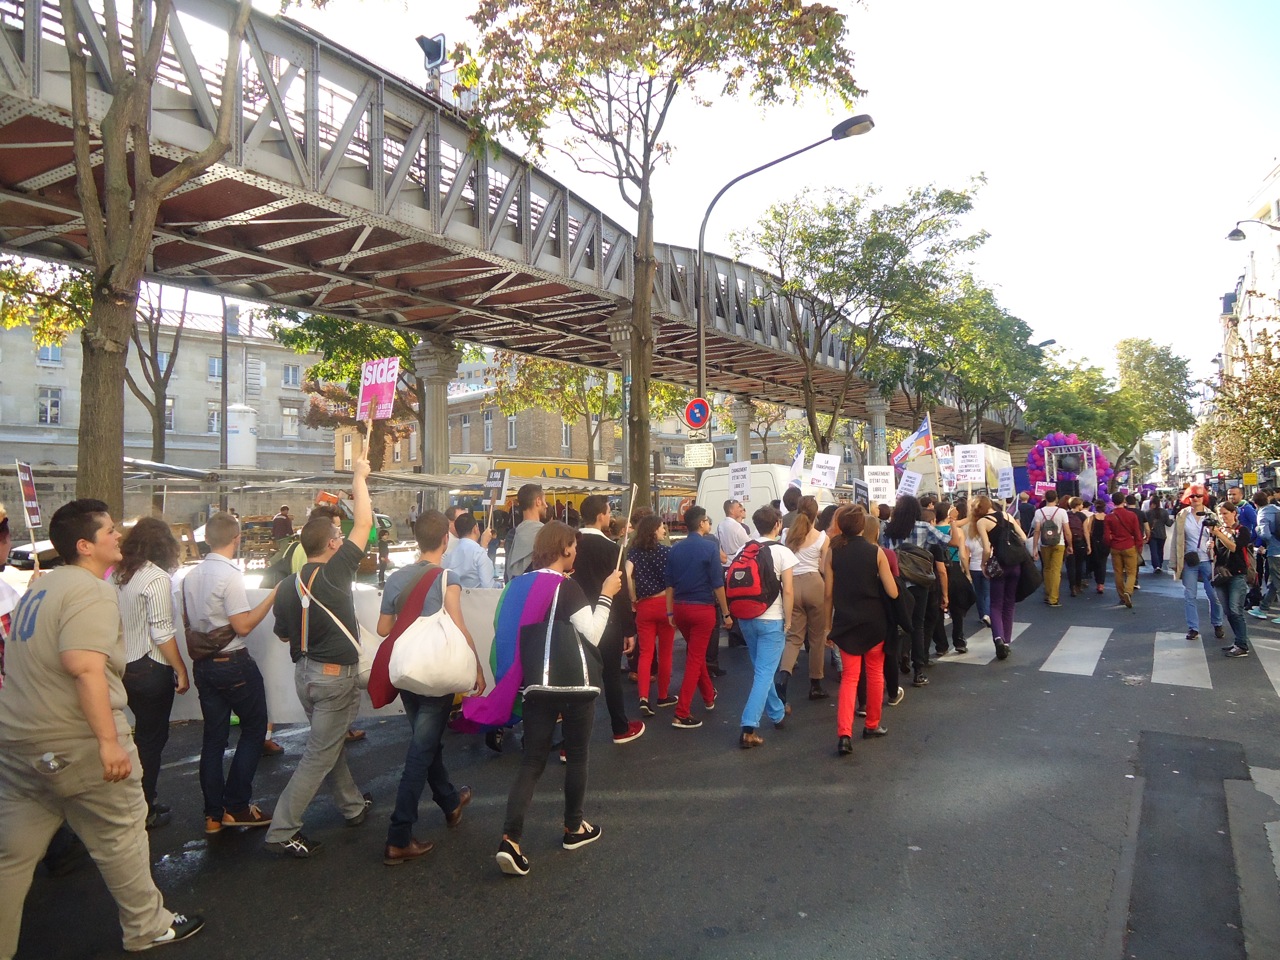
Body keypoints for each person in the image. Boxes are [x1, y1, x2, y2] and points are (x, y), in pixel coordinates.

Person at [0, 499, 203, 954]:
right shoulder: (90, 590)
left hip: (18, 741)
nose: (118, 536)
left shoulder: (39, 589)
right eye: (109, 530)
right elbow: (84, 667)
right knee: (122, 833)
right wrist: (108, 743)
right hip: (75, 742)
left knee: (10, 857)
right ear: (84, 545)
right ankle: (147, 926)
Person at [264, 447, 375, 859]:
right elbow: (364, 522)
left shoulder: (287, 585)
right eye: (339, 538)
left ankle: (352, 806)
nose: (344, 540)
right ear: (330, 544)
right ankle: (282, 829)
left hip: (305, 675)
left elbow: (282, 636)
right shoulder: (334, 574)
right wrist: (359, 476)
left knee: (328, 747)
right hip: (333, 678)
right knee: (317, 754)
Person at [495, 522, 621, 877]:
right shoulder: (567, 587)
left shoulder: (517, 585)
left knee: (532, 761)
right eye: (574, 547)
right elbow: (592, 634)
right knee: (577, 756)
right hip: (575, 686)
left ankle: (510, 839)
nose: (576, 552)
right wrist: (607, 594)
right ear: (564, 548)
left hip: (536, 683)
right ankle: (573, 828)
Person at [377, 510, 485, 866]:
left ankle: (450, 802)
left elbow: (383, 629)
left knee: (426, 743)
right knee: (420, 751)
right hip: (437, 673)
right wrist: (476, 667)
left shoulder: (396, 578)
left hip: (407, 671)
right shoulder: (446, 577)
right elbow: (458, 625)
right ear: (445, 540)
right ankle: (398, 835)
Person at [185, 510, 278, 834]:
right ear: (237, 539)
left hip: (204, 664)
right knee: (254, 728)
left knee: (213, 738)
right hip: (233, 661)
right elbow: (243, 625)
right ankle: (237, 806)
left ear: (206, 538)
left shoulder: (191, 576)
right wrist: (272, 597)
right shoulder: (230, 575)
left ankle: (213, 815)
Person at [114, 517, 190, 830]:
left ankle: (134, 803)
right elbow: (162, 632)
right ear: (165, 547)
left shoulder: (118, 574)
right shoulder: (156, 578)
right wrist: (181, 669)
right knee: (151, 741)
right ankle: (144, 808)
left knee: (135, 739)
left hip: (123, 665)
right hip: (150, 666)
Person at [572, 495, 645, 745]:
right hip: (608, 621)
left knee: (577, 678)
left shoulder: (570, 544)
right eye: (608, 512)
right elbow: (621, 593)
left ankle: (571, 741)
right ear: (601, 515)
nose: (610, 516)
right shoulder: (613, 549)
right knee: (611, 676)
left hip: (574, 618)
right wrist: (629, 629)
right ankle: (620, 727)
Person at [826, 506, 898, 755]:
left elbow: (828, 595)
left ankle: (844, 734)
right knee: (875, 673)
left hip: (846, 623)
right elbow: (893, 592)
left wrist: (827, 626)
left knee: (850, 678)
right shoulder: (875, 552)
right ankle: (872, 724)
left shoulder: (833, 552)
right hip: (874, 622)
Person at [736, 505, 797, 749]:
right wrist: (788, 619)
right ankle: (748, 727)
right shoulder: (782, 552)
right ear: (778, 525)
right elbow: (789, 590)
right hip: (772, 619)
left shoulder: (744, 549)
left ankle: (777, 713)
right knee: (764, 673)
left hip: (746, 618)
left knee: (763, 669)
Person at [664, 506, 731, 730]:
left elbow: (670, 584)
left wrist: (670, 612)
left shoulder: (675, 549)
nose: (709, 523)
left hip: (681, 608)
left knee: (696, 655)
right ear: (701, 523)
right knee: (694, 659)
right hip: (702, 608)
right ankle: (682, 712)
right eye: (708, 520)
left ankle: (709, 695)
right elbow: (717, 584)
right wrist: (726, 613)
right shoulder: (710, 547)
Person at [881, 495, 953, 686]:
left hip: (895, 582)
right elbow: (947, 540)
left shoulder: (888, 530)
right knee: (918, 624)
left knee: (896, 623)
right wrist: (953, 523)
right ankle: (918, 670)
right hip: (919, 581)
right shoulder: (923, 527)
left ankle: (898, 659)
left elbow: (883, 553)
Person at [776, 496, 829, 704]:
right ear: (816, 514)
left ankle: (784, 676)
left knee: (794, 637)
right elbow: (823, 568)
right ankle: (815, 684)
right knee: (817, 638)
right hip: (815, 584)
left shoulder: (786, 534)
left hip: (792, 585)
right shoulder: (822, 537)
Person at [625, 515, 675, 716]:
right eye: (662, 527)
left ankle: (644, 697)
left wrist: (632, 597)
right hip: (665, 604)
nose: (664, 530)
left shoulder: (634, 552)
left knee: (646, 653)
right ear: (654, 530)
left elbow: (627, 574)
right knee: (666, 653)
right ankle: (663, 696)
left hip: (644, 606)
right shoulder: (667, 552)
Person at [973, 500, 1028, 660]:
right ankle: (1007, 642)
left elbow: (986, 548)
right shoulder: (1007, 515)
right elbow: (1024, 537)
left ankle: (998, 638)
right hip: (1015, 564)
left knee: (996, 604)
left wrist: (984, 564)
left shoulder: (982, 522)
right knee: (1009, 604)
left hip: (999, 565)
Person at [1170, 485, 1225, 642]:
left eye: (1199, 496)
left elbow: (1220, 536)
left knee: (1214, 595)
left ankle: (1217, 623)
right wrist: (1174, 562)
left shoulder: (1211, 515)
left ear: (1204, 498)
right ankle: (1193, 628)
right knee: (1190, 595)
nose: (1195, 499)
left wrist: (1214, 544)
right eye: (1192, 496)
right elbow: (1176, 540)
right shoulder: (1182, 515)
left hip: (1208, 560)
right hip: (1189, 560)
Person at [1213, 501, 1253, 658]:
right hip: (1222, 575)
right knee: (1228, 612)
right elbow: (1219, 554)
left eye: (1226, 513)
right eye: (1220, 514)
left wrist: (1219, 534)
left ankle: (1242, 645)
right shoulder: (1219, 531)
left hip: (1237, 574)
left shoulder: (1242, 530)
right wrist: (1211, 546)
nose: (1223, 517)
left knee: (1236, 610)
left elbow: (1234, 547)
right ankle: (1238, 641)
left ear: (1234, 513)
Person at [1103, 492, 1143, 608]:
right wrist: (1138, 546)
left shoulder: (1109, 517)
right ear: (1124, 501)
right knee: (1131, 572)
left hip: (1115, 547)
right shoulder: (1132, 515)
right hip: (1129, 546)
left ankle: (1121, 596)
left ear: (1113, 502)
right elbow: (1137, 533)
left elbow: (1106, 536)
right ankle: (1128, 591)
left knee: (1118, 573)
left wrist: (1110, 544)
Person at [1031, 490, 1070, 607]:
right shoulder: (1062, 512)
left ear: (1045, 498)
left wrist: (1034, 548)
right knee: (1056, 571)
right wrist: (1070, 545)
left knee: (1047, 569)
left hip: (1044, 544)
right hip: (1059, 543)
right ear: (1056, 498)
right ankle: (1054, 598)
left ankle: (1047, 594)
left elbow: (1037, 530)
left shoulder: (1039, 512)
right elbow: (1067, 531)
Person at [442, 513, 501, 588]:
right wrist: (499, 585)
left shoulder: (448, 555)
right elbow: (488, 586)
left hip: (455, 594)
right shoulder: (479, 553)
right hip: (477, 595)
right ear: (475, 529)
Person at [504, 484, 547, 582]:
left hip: (514, 587)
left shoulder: (512, 534)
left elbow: (508, 571)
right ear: (538, 501)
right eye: (544, 500)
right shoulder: (545, 534)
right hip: (536, 587)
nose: (546, 505)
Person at [1250, 490, 1280, 623]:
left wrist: (1257, 530)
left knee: (1278, 581)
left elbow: (1265, 534)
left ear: (1255, 504)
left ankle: (1263, 609)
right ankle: (1263, 608)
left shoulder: (1262, 514)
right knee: (1274, 582)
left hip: (1275, 551)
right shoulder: (1277, 509)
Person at [1083, 499, 1110, 595]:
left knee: (1094, 561)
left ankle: (1091, 578)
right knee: (1103, 563)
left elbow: (1087, 531)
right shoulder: (1108, 518)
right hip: (1105, 543)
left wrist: (1088, 544)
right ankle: (1101, 584)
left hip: (1094, 542)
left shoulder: (1091, 518)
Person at [1144, 495, 1170, 575]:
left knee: (1154, 551)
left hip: (1152, 534)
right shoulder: (1164, 512)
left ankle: (1156, 566)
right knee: (1160, 551)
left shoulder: (1148, 513)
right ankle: (1160, 564)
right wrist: (1173, 520)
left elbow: (1145, 524)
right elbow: (1168, 523)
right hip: (1162, 534)